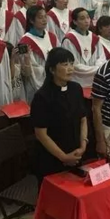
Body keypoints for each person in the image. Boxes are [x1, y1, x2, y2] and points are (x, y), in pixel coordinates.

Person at [31, 48, 88, 183]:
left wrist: (83, 145)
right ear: (52, 69)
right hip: (52, 159)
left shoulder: (76, 88)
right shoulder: (42, 97)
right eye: (64, 64)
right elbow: (41, 134)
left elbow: (83, 119)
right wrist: (63, 157)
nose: (70, 68)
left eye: (71, 64)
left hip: (76, 154)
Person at [19, 6, 59, 102]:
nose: (44, 20)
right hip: (35, 86)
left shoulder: (52, 37)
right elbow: (26, 71)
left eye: (45, 17)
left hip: (55, 82)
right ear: (32, 20)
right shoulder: (24, 42)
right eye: (40, 17)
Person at [62, 8, 106, 88]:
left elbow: (101, 58)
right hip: (77, 82)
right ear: (75, 21)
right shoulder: (69, 40)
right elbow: (73, 65)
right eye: (82, 18)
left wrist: (97, 68)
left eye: (88, 17)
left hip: (96, 81)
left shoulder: (94, 38)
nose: (86, 21)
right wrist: (97, 70)